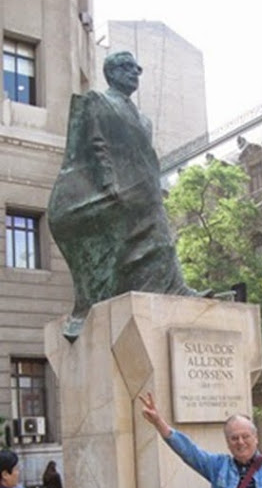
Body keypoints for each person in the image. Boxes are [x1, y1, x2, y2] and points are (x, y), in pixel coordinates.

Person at [48, 51, 196, 339]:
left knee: (163, 238)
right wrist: (108, 182)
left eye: (137, 69)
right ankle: (90, 307)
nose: (134, 73)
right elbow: (95, 143)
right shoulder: (98, 102)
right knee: (130, 245)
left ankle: (174, 285)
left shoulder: (144, 120)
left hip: (144, 191)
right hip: (115, 190)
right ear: (111, 72)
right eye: (127, 68)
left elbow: (148, 158)